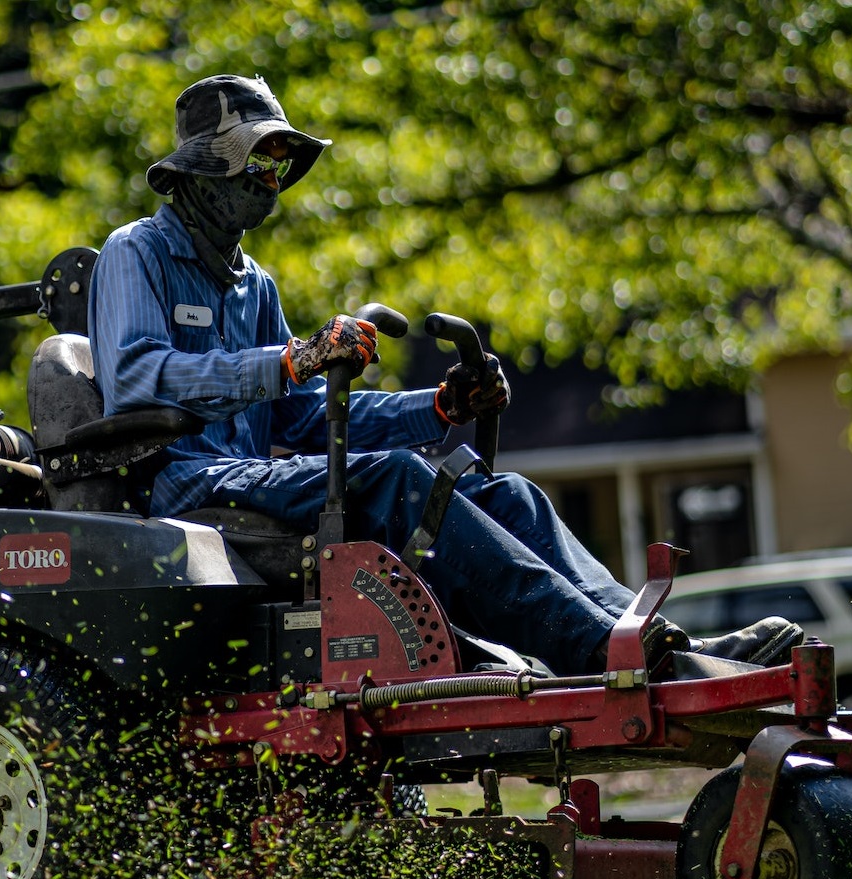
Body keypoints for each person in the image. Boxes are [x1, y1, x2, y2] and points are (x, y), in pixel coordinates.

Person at [86, 73, 801, 676]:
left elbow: (302, 419)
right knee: (399, 478)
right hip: (186, 486)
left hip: (253, 478)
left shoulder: (255, 284)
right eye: (257, 163)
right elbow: (137, 376)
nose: (272, 182)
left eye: (281, 165)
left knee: (504, 492)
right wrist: (289, 358)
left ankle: (652, 639)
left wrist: (436, 407)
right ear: (203, 171)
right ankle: (614, 659)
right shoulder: (136, 252)